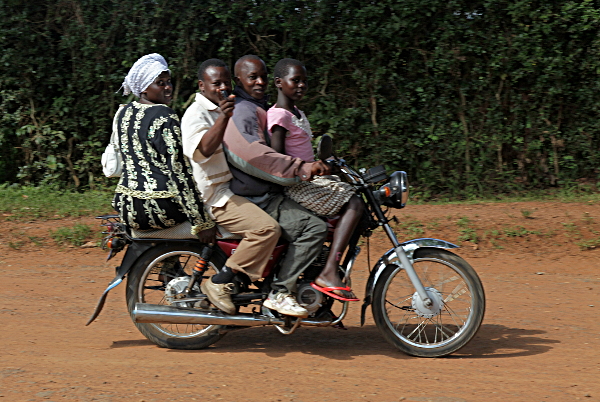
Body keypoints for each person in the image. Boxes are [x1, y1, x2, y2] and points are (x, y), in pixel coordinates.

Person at [222, 55, 329, 318]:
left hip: (264, 192)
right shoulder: (243, 110)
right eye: (252, 77)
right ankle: (280, 291)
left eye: (262, 77)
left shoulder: (256, 107)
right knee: (314, 228)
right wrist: (300, 169)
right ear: (239, 81)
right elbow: (254, 156)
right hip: (258, 196)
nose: (259, 82)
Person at [181, 58, 281, 315]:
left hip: (234, 191)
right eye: (216, 83)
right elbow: (203, 150)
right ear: (202, 86)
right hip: (216, 197)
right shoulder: (197, 113)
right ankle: (220, 282)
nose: (223, 87)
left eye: (226, 82)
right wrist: (224, 117)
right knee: (266, 229)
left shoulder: (226, 108)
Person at [268, 58, 363, 301]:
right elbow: (279, 159)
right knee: (354, 203)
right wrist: (309, 169)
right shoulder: (279, 116)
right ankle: (329, 270)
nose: (301, 85)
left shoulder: (297, 113)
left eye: (304, 81)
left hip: (309, 179)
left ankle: (326, 265)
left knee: (356, 193)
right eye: (295, 80)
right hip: (296, 185)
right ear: (279, 83)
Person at [112, 53, 214, 242]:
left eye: (168, 82)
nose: (168, 88)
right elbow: (179, 172)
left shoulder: (123, 113)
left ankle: (169, 268)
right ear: (144, 89)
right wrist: (201, 222)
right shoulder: (165, 116)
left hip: (126, 206)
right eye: (160, 83)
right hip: (158, 208)